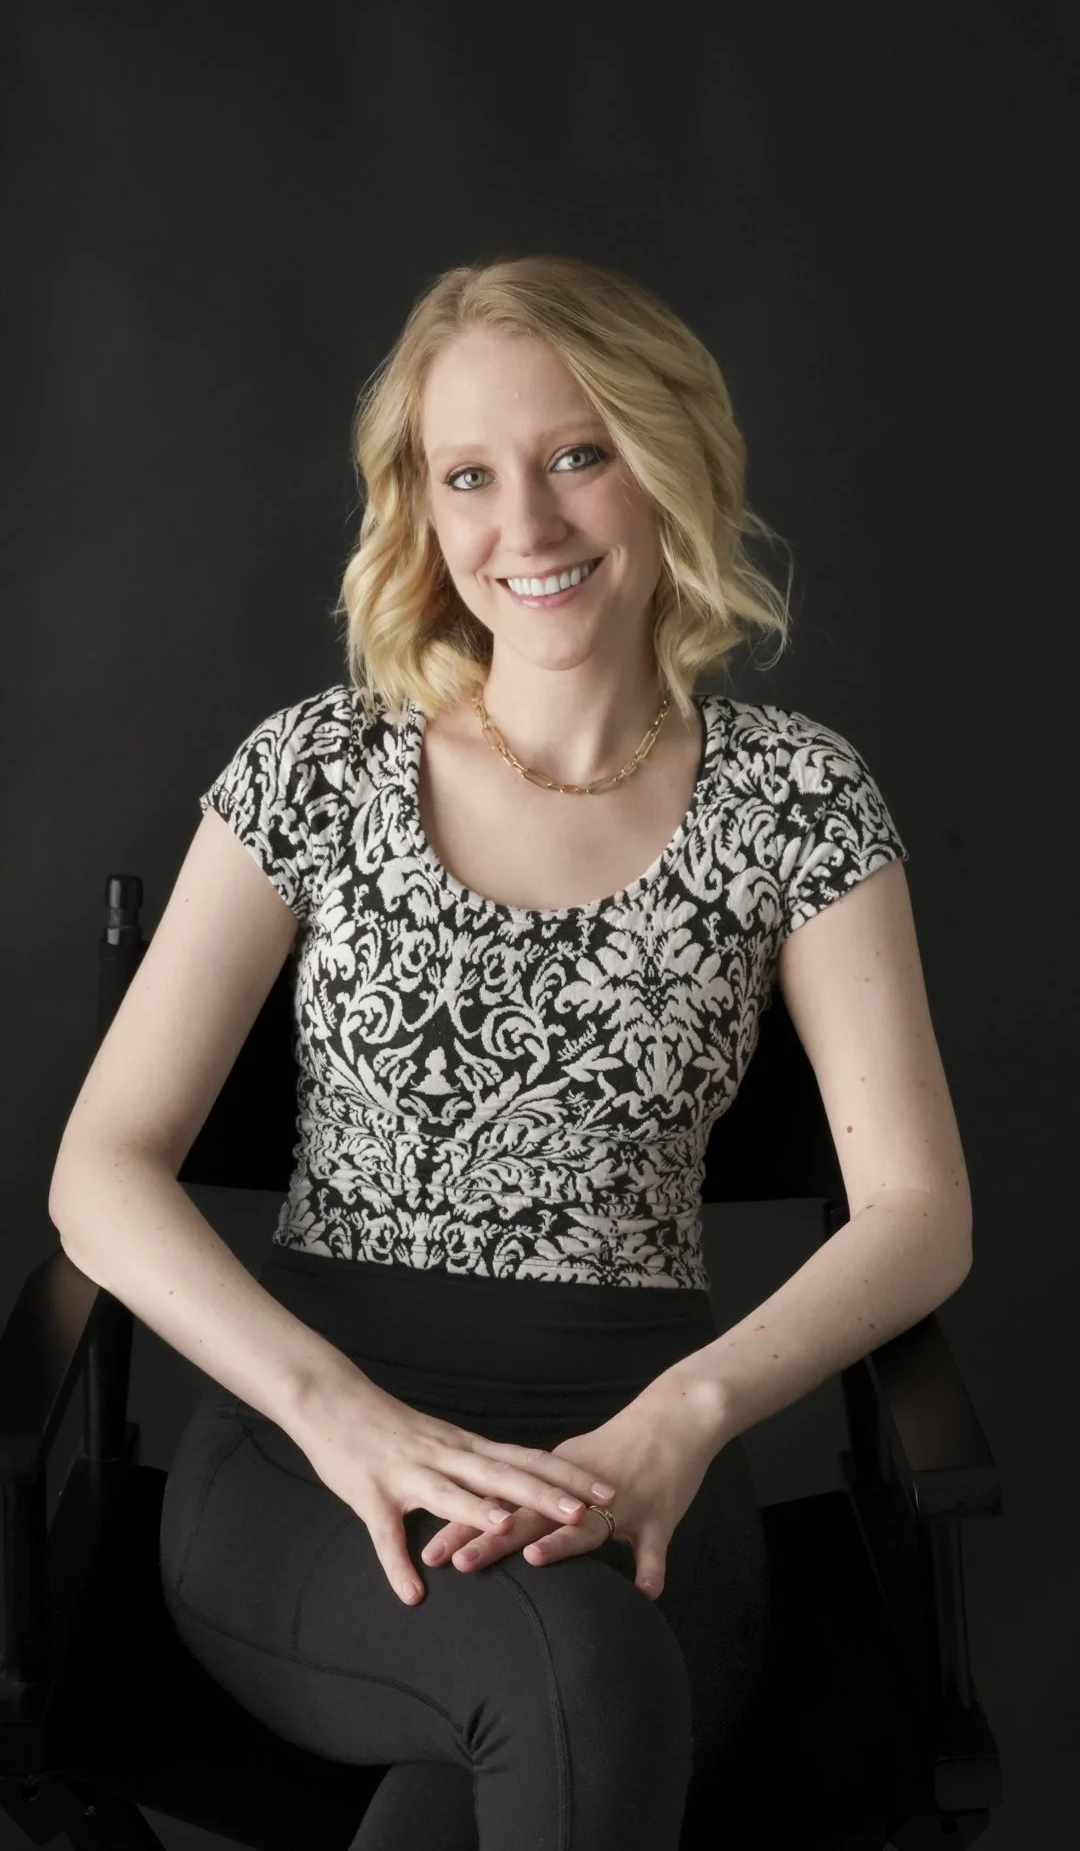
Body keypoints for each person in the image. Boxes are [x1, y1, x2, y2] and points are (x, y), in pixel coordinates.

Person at [53, 252, 920, 1849]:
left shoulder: (798, 797)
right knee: (570, 1681)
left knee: (478, 1775)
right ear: (423, 509)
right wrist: (343, 1417)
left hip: (640, 1459)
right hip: (314, 1461)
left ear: (669, 464)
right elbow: (100, 1173)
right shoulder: (316, 768)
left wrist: (682, 1421)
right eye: (471, 475)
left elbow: (918, 1213)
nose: (525, 526)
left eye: (577, 454)